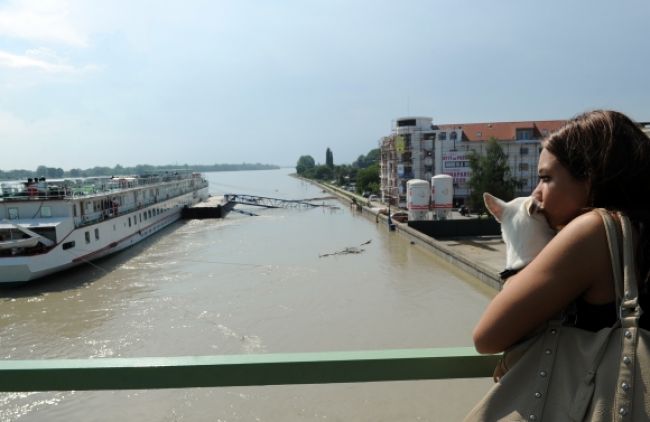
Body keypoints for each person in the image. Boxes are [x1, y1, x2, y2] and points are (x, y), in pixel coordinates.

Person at [472, 109, 650, 355]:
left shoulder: (593, 231)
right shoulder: (637, 228)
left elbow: (486, 339)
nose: (536, 194)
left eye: (545, 178)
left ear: (589, 176)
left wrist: (515, 275)